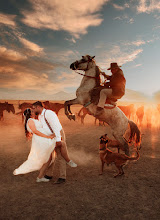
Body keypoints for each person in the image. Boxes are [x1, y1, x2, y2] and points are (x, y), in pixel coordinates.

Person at [13, 108, 77, 183]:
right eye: (32, 111)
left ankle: (42, 176)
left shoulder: (34, 119)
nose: (34, 112)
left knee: (49, 159)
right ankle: (68, 161)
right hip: (44, 140)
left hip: (44, 139)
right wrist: (48, 137)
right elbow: (36, 131)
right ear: (30, 114)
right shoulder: (30, 120)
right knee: (61, 146)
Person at [32, 101, 77, 184]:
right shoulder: (40, 116)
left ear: (38, 107)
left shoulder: (49, 113)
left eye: (34, 108)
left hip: (57, 134)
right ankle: (49, 174)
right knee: (50, 156)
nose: (33, 110)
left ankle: (62, 177)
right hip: (50, 136)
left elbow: (55, 126)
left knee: (60, 156)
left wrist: (58, 139)